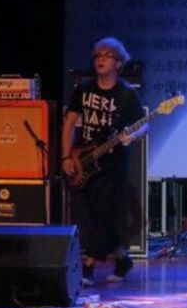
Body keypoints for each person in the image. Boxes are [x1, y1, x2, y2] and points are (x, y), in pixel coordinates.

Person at [62, 37, 147, 286]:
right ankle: (122, 259)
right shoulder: (84, 90)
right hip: (84, 160)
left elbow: (144, 124)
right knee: (89, 215)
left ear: (118, 63)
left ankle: (88, 266)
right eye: (98, 55)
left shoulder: (126, 94)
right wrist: (66, 156)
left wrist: (132, 135)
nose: (100, 59)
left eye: (107, 56)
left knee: (102, 213)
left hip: (113, 164)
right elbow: (69, 124)